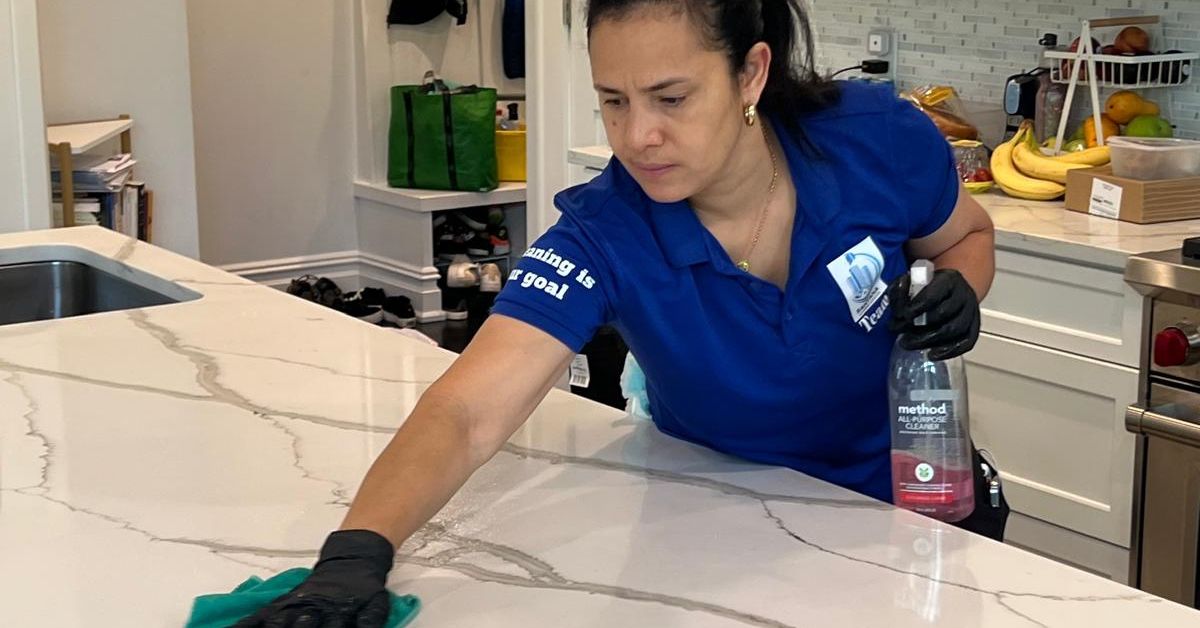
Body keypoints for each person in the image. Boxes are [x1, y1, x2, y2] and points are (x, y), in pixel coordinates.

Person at [237, 1, 997, 625]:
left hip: (919, 508)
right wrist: (356, 553)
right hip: (731, 529)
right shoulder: (605, 232)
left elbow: (965, 233)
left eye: (671, 98)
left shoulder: (873, 137)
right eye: (613, 101)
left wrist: (962, 285)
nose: (639, 137)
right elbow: (468, 408)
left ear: (750, 75)